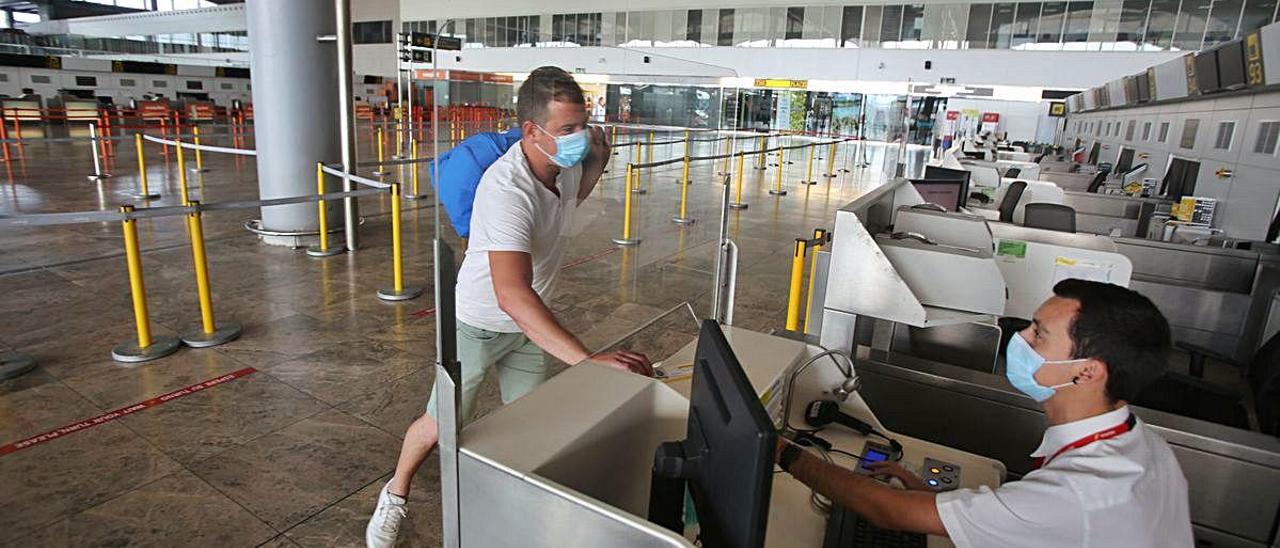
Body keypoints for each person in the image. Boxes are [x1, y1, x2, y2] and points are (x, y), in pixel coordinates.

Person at [365, 66, 654, 548]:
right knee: (440, 424)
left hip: (528, 327)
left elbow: (569, 200)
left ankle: (518, 508)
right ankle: (395, 494)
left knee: (532, 425)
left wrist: (597, 161)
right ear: (530, 132)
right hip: (479, 324)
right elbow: (510, 294)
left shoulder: (561, 168)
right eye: (567, 130)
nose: (579, 137)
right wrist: (586, 362)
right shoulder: (505, 191)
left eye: (584, 124)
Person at [775, 279, 1193, 547]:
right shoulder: (1145, 446)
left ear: (1086, 371)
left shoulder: (1079, 496)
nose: (1021, 339)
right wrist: (936, 499)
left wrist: (784, 453)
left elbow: (888, 511)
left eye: (1038, 334)